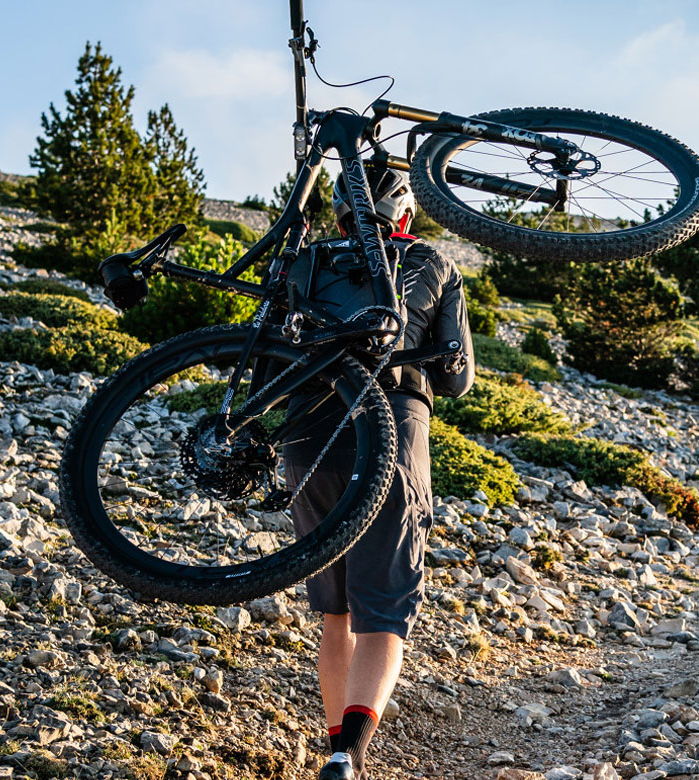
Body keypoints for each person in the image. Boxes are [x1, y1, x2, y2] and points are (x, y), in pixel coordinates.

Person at [282, 163, 474, 780]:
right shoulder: (432, 261)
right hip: (391, 432)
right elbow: (458, 378)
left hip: (308, 437)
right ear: (406, 217)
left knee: (333, 610)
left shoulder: (307, 262)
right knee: (384, 609)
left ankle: (334, 739)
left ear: (340, 215)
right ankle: (348, 755)